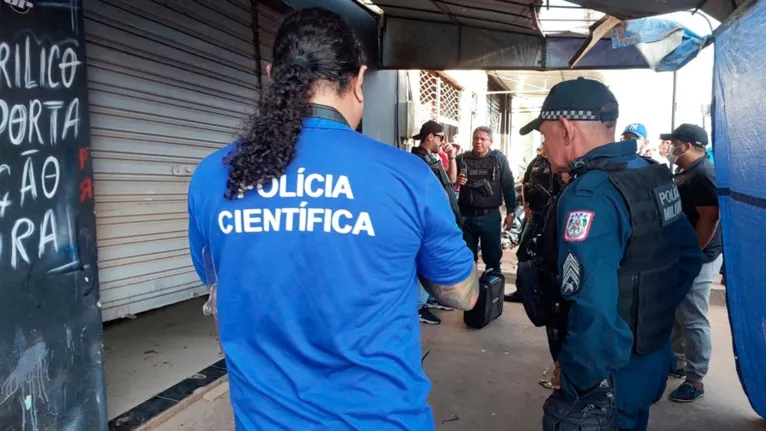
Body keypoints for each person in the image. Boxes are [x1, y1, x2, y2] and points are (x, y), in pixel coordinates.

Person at [186, 8, 479, 430]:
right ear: (359, 81)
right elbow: (460, 295)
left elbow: (219, 284)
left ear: (273, 78)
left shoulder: (214, 174)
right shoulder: (406, 175)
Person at [517, 78, 702, 431]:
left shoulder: (589, 197)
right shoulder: (651, 175)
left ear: (566, 129)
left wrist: (576, 376)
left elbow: (593, 307)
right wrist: (647, 319)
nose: (543, 145)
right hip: (649, 355)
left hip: (609, 373)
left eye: (545, 134)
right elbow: (688, 258)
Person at [662, 124, 723, 402]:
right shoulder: (686, 173)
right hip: (683, 255)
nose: (669, 148)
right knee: (677, 312)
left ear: (686, 146)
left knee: (693, 318)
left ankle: (696, 379)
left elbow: (709, 217)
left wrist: (693, 255)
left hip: (700, 256)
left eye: (673, 143)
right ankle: (679, 362)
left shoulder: (703, 174)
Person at [411, 121, 462, 324]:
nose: (443, 141)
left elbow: (450, 180)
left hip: (438, 218)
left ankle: (430, 299)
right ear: (430, 136)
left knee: (433, 260)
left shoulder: (432, 158)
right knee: (424, 261)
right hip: (428, 220)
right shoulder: (417, 160)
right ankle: (418, 306)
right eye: (441, 137)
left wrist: (451, 157)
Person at [456, 126, 516, 272]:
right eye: (476, 138)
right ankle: (471, 293)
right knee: (466, 258)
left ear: (491, 142)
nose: (478, 142)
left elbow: (508, 186)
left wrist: (510, 212)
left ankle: (492, 291)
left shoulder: (499, 159)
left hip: (490, 216)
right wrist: (456, 181)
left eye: (483, 139)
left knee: (493, 258)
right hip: (466, 216)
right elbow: (449, 182)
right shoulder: (461, 159)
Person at [506, 142, 560, 303]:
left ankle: (544, 293)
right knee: (523, 253)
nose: (545, 148)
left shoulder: (558, 164)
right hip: (533, 216)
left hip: (549, 218)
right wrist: (525, 206)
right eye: (544, 144)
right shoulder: (535, 162)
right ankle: (522, 291)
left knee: (546, 255)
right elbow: (524, 183)